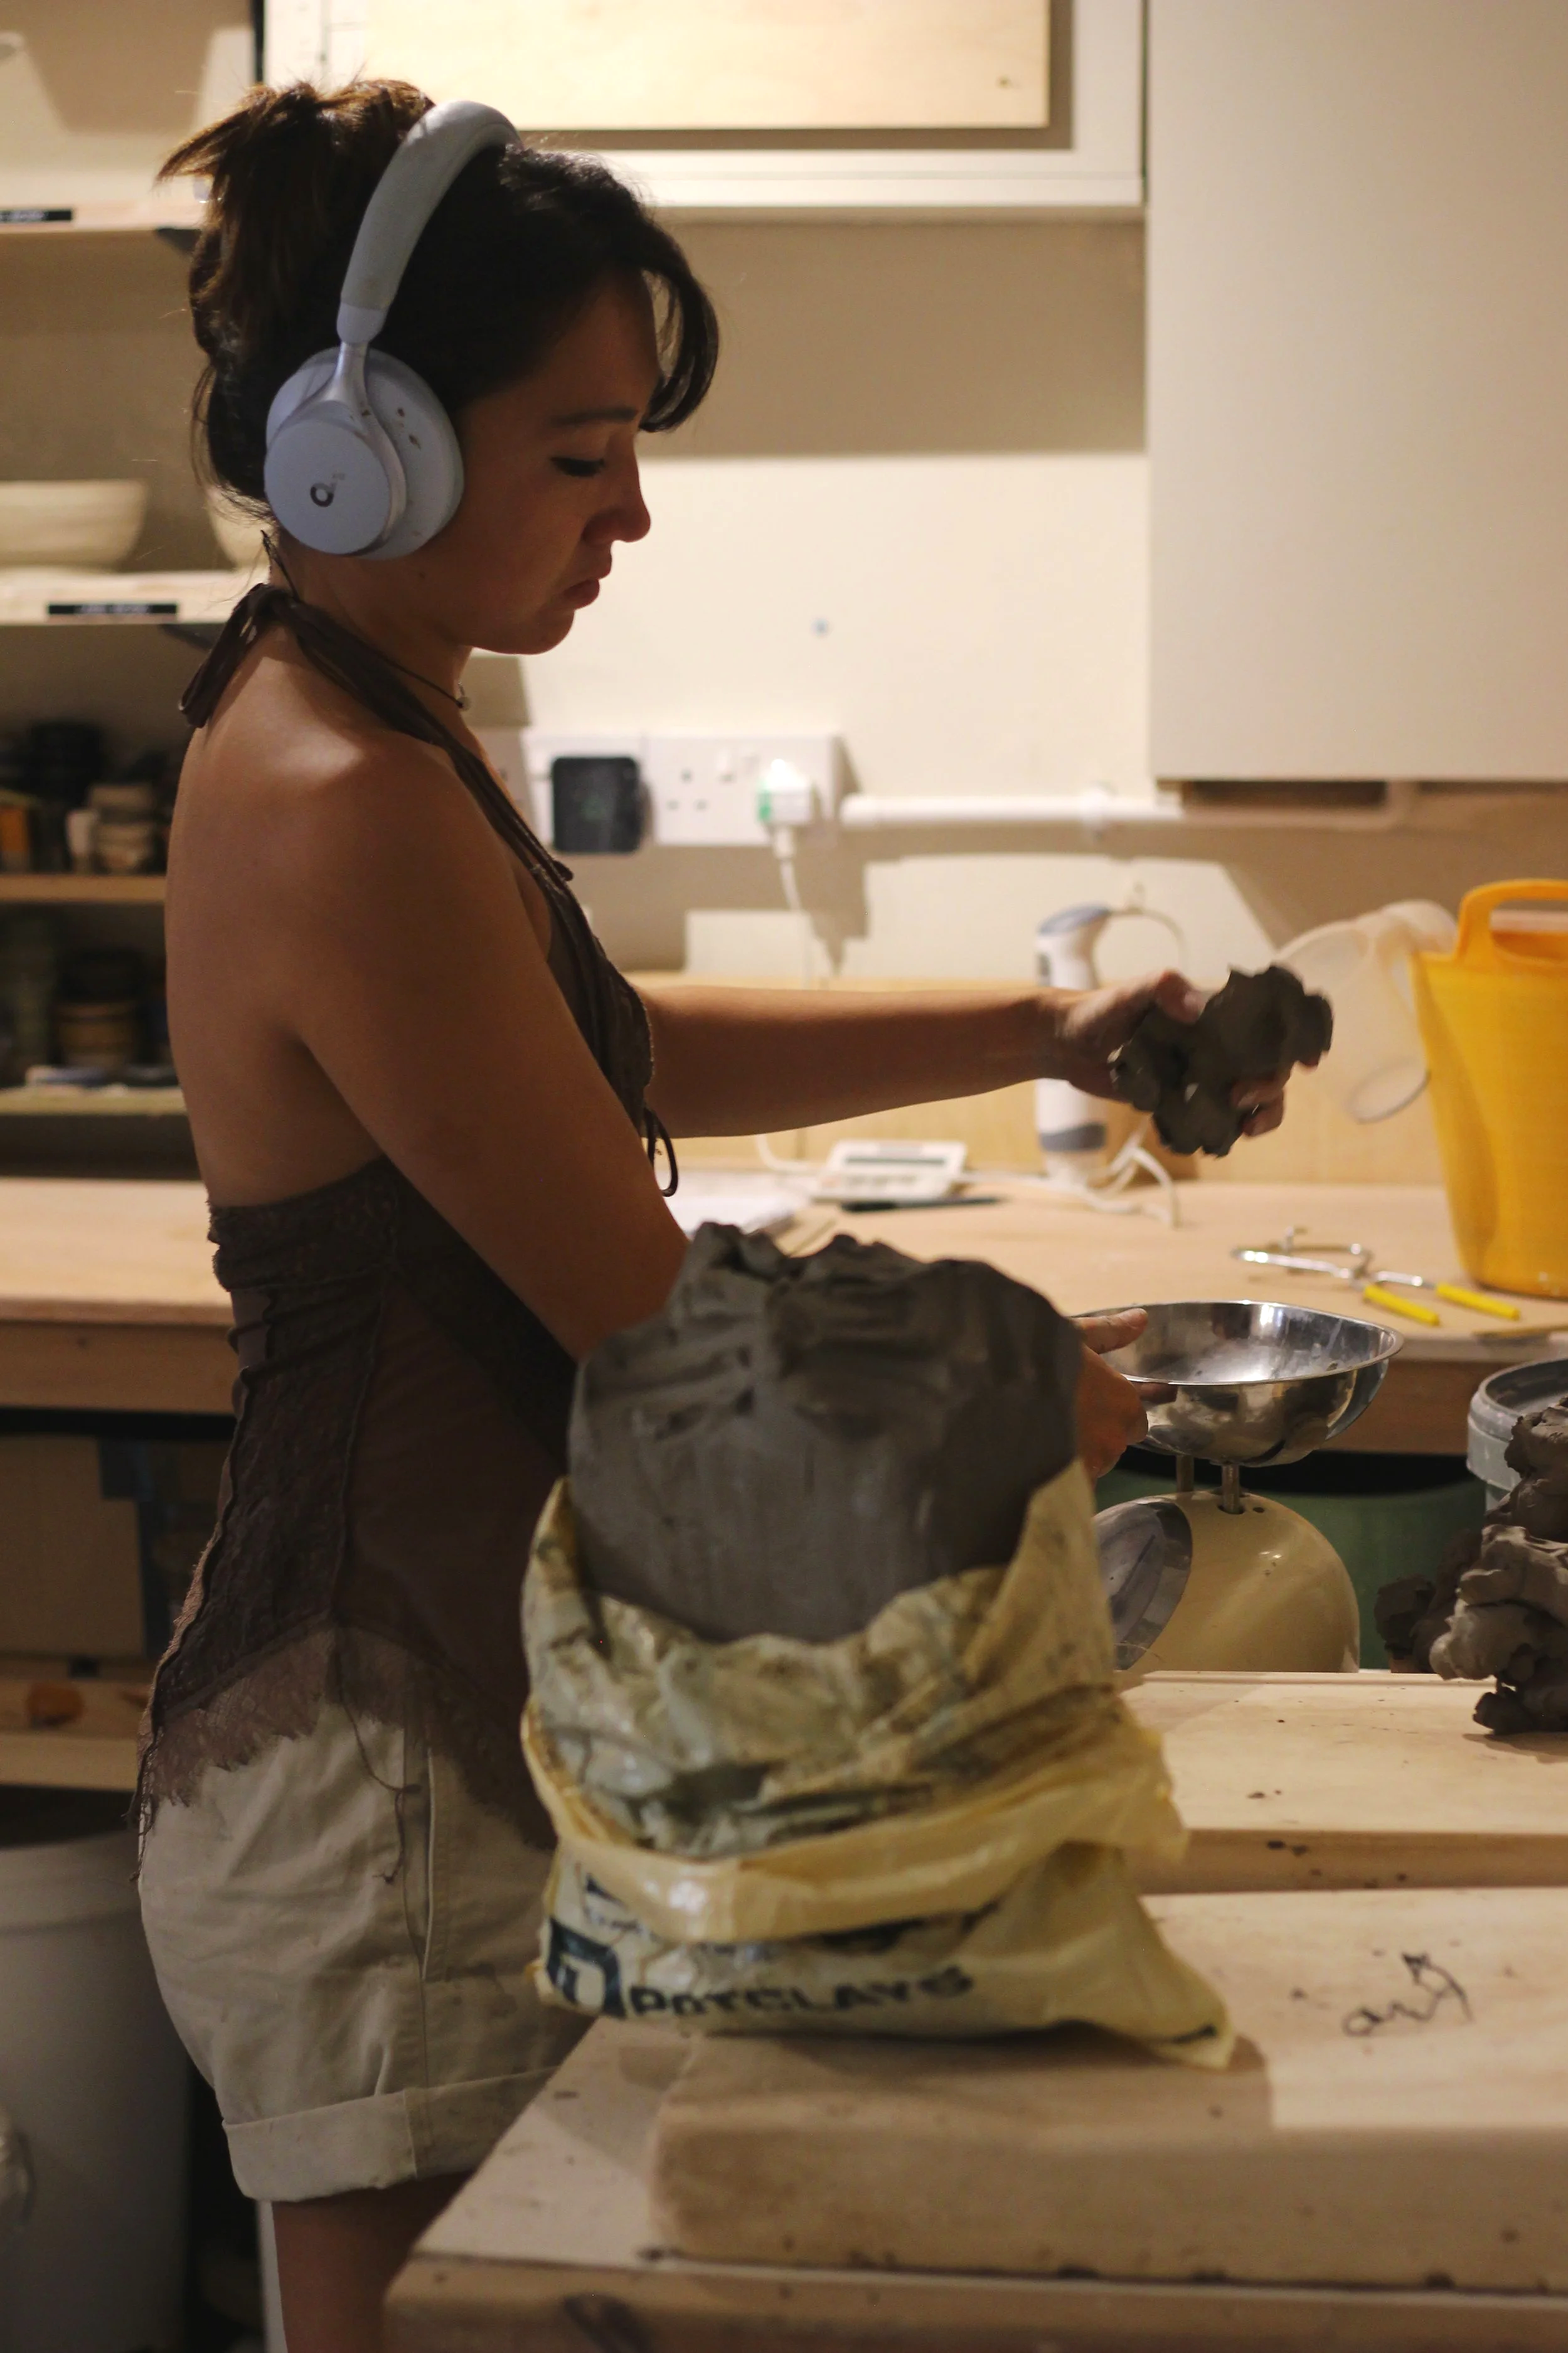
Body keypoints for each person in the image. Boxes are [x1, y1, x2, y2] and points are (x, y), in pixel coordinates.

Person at [134, 80, 1294, 2350]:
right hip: (381, 1788)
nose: (633, 512)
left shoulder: (368, 715)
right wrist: (1008, 1390)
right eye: (583, 454)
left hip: (439, 1722)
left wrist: (1043, 1025)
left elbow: (594, 1045)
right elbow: (662, 1345)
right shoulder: (341, 795)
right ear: (374, 445)